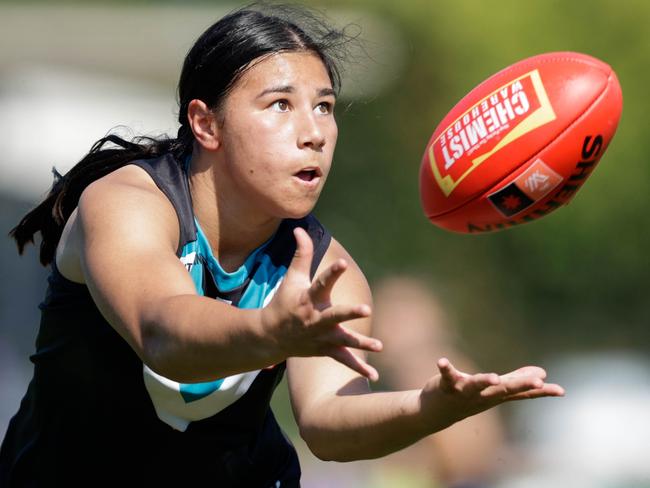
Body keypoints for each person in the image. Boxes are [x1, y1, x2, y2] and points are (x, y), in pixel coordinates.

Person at [0, 4, 564, 487]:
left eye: (323, 106)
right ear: (206, 124)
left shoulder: (326, 266)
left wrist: (430, 408)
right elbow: (162, 332)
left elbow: (326, 423)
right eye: (280, 105)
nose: (314, 131)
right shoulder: (128, 202)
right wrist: (269, 332)